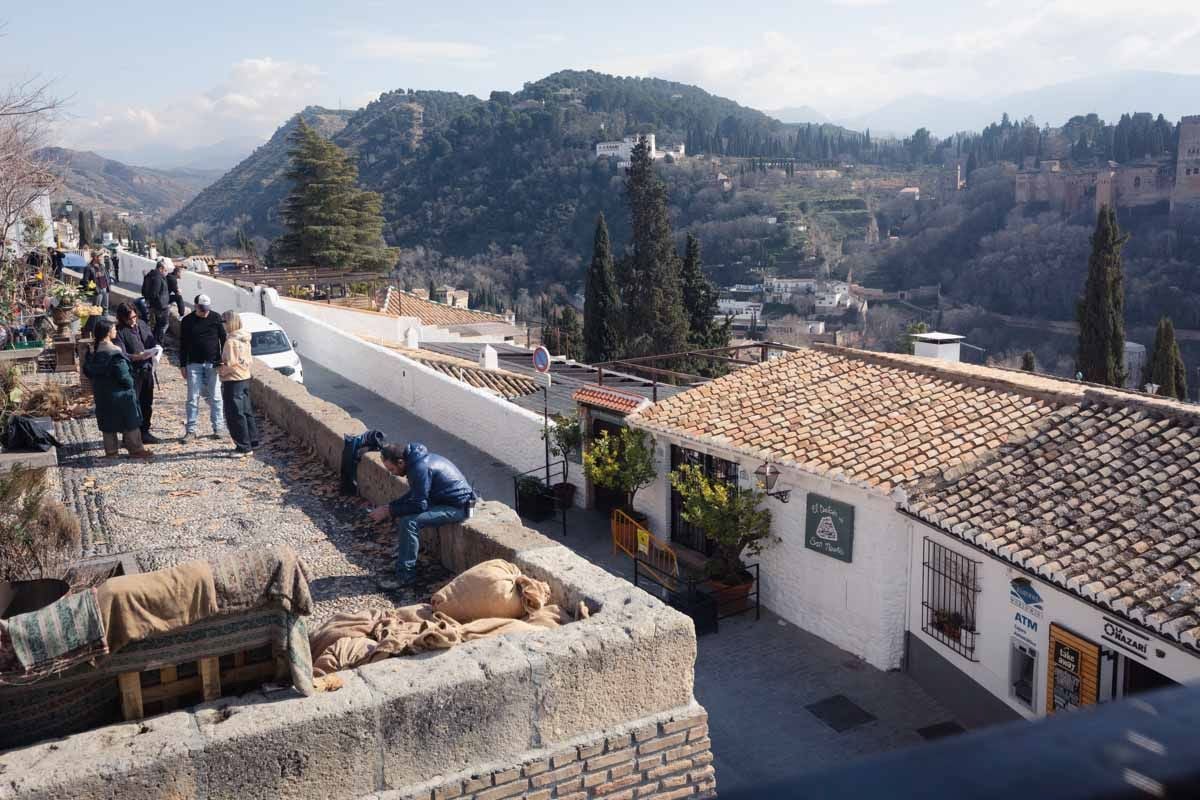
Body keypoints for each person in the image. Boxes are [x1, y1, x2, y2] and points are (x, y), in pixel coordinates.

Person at [369, 443, 475, 586]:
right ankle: (403, 564)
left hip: (459, 507)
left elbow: (419, 505)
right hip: (443, 500)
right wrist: (390, 506)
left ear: (401, 462)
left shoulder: (419, 468)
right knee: (405, 514)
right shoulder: (416, 461)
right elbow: (415, 494)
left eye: (392, 469)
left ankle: (405, 575)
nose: (391, 473)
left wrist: (389, 511)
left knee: (409, 522)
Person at [82, 318, 152, 459]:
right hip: (120, 395)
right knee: (131, 421)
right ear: (108, 333)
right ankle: (136, 449)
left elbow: (88, 372)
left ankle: (111, 452)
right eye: (113, 329)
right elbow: (124, 377)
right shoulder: (115, 354)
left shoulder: (94, 353)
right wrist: (131, 383)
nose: (115, 331)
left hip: (102, 394)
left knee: (107, 424)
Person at [179, 293, 226, 442]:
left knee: (216, 397)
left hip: (213, 363)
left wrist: (223, 360)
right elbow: (183, 344)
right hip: (194, 363)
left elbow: (223, 339)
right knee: (192, 398)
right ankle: (191, 430)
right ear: (196, 306)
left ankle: (218, 427)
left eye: (207, 309)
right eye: (202, 309)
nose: (205, 312)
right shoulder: (187, 321)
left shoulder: (216, 318)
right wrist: (182, 365)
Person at [114, 302, 162, 444]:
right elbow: (121, 353)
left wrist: (155, 351)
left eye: (134, 317)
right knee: (133, 404)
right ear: (122, 318)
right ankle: (130, 435)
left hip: (147, 368)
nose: (133, 320)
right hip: (132, 372)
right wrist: (136, 356)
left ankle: (144, 431)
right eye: (129, 319)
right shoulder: (119, 331)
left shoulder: (141, 324)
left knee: (147, 402)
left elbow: (151, 341)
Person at [218, 311, 259, 457]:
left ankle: (243, 447)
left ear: (229, 323)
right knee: (246, 411)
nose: (222, 325)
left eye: (223, 321)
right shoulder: (245, 338)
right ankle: (253, 441)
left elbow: (230, 364)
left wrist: (219, 369)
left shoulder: (230, 342)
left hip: (233, 380)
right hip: (244, 377)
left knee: (235, 414)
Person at [141, 258, 171, 344]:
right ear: (160, 268)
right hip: (160, 307)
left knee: (156, 325)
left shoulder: (150, 275)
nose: (166, 272)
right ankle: (159, 343)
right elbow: (154, 293)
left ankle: (154, 342)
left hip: (154, 305)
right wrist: (160, 304)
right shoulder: (158, 277)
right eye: (165, 270)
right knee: (162, 325)